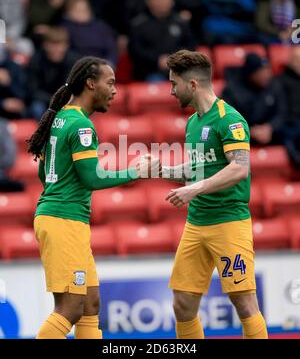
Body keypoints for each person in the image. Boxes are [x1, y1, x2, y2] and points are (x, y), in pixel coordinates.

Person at [27, 56, 159, 339]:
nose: (114, 90)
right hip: (64, 221)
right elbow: (93, 177)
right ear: (90, 83)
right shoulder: (82, 127)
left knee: (90, 304)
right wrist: (136, 171)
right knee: (70, 308)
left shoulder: (60, 117)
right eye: (110, 83)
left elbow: (43, 172)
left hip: (62, 218)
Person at [159, 50, 268, 339]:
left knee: (244, 304)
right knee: (182, 304)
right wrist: (161, 170)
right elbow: (198, 169)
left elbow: (239, 169)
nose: (171, 91)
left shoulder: (229, 120)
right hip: (196, 225)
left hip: (228, 223)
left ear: (192, 85)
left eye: (174, 84)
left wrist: (195, 189)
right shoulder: (193, 123)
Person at [128, 0, 195, 81]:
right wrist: (157, 60)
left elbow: (190, 46)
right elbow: (135, 51)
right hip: (149, 72)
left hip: (179, 70)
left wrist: (175, 60)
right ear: (149, 1)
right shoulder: (138, 25)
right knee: (155, 79)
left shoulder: (181, 23)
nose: (164, 1)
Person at [222, 53, 287, 145]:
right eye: (261, 72)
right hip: (242, 134)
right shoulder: (232, 90)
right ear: (251, 74)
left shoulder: (274, 85)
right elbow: (227, 118)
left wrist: (270, 127)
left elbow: (281, 112)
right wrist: (250, 130)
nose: (266, 75)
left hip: (271, 133)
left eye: (267, 70)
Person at [27, 27, 79, 120]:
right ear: (44, 45)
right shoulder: (36, 61)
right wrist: (52, 100)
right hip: (43, 101)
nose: (56, 49)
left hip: (67, 101)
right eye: (52, 45)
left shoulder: (74, 62)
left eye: (59, 45)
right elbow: (32, 89)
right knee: (36, 108)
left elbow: (74, 89)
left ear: (66, 46)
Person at [279, 46, 300, 166]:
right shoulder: (281, 81)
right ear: (291, 62)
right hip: (290, 123)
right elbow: (281, 109)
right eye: (298, 60)